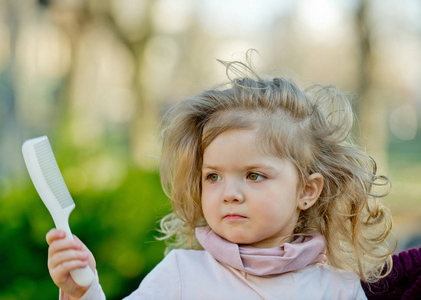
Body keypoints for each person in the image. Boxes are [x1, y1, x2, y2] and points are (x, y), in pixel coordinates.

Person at [46, 55, 395, 299]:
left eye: (254, 176)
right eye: (212, 177)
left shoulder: (336, 288)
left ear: (307, 189)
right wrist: (82, 292)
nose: (229, 193)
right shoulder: (182, 275)